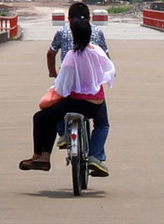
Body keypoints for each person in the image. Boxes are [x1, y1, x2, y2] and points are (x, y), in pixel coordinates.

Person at [20, 15, 115, 172]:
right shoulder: (97, 51)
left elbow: (63, 85)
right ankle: (95, 155)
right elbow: (110, 70)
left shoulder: (72, 55)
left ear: (73, 34)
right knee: (102, 123)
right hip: (96, 103)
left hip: (77, 102)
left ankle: (41, 156)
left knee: (41, 117)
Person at [48, 2, 111, 177]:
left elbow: (50, 53)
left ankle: (63, 133)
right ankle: (95, 155)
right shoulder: (97, 32)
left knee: (55, 104)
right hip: (92, 91)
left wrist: (53, 72)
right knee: (102, 123)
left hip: (70, 86)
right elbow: (106, 59)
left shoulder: (62, 32)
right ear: (89, 19)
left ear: (68, 19)